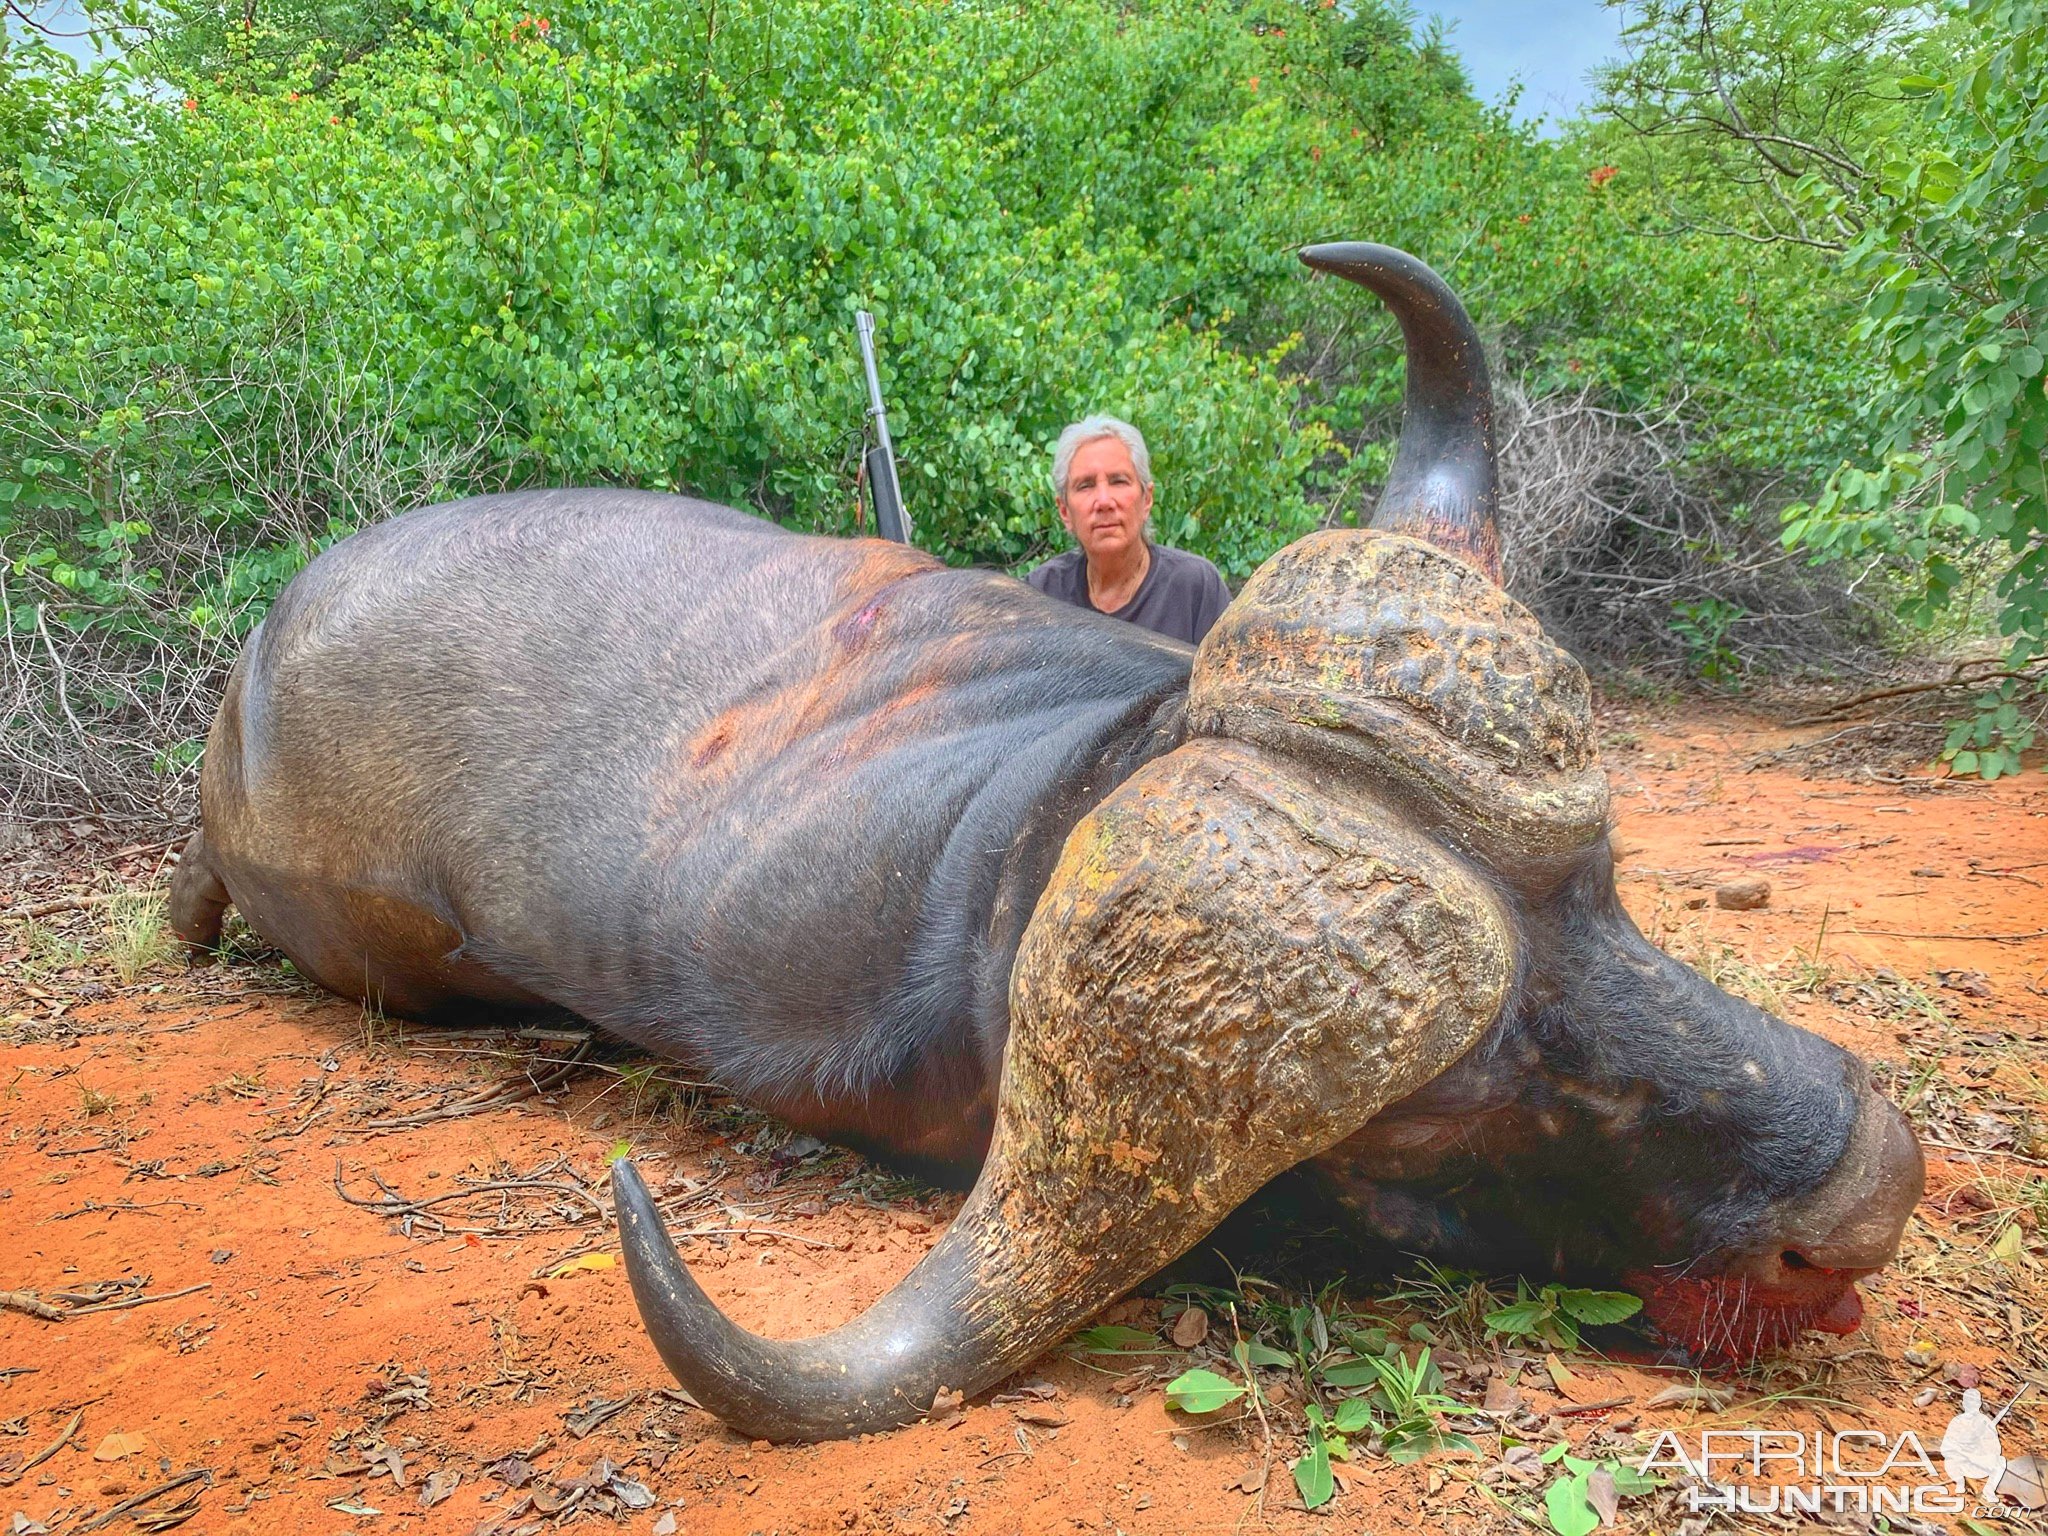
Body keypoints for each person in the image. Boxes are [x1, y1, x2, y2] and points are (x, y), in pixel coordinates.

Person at [1026, 415, 1231, 646]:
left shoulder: (1196, 587)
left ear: (1147, 499)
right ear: (1064, 511)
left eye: (1119, 481)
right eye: (1086, 485)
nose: (1104, 501)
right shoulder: (1040, 594)